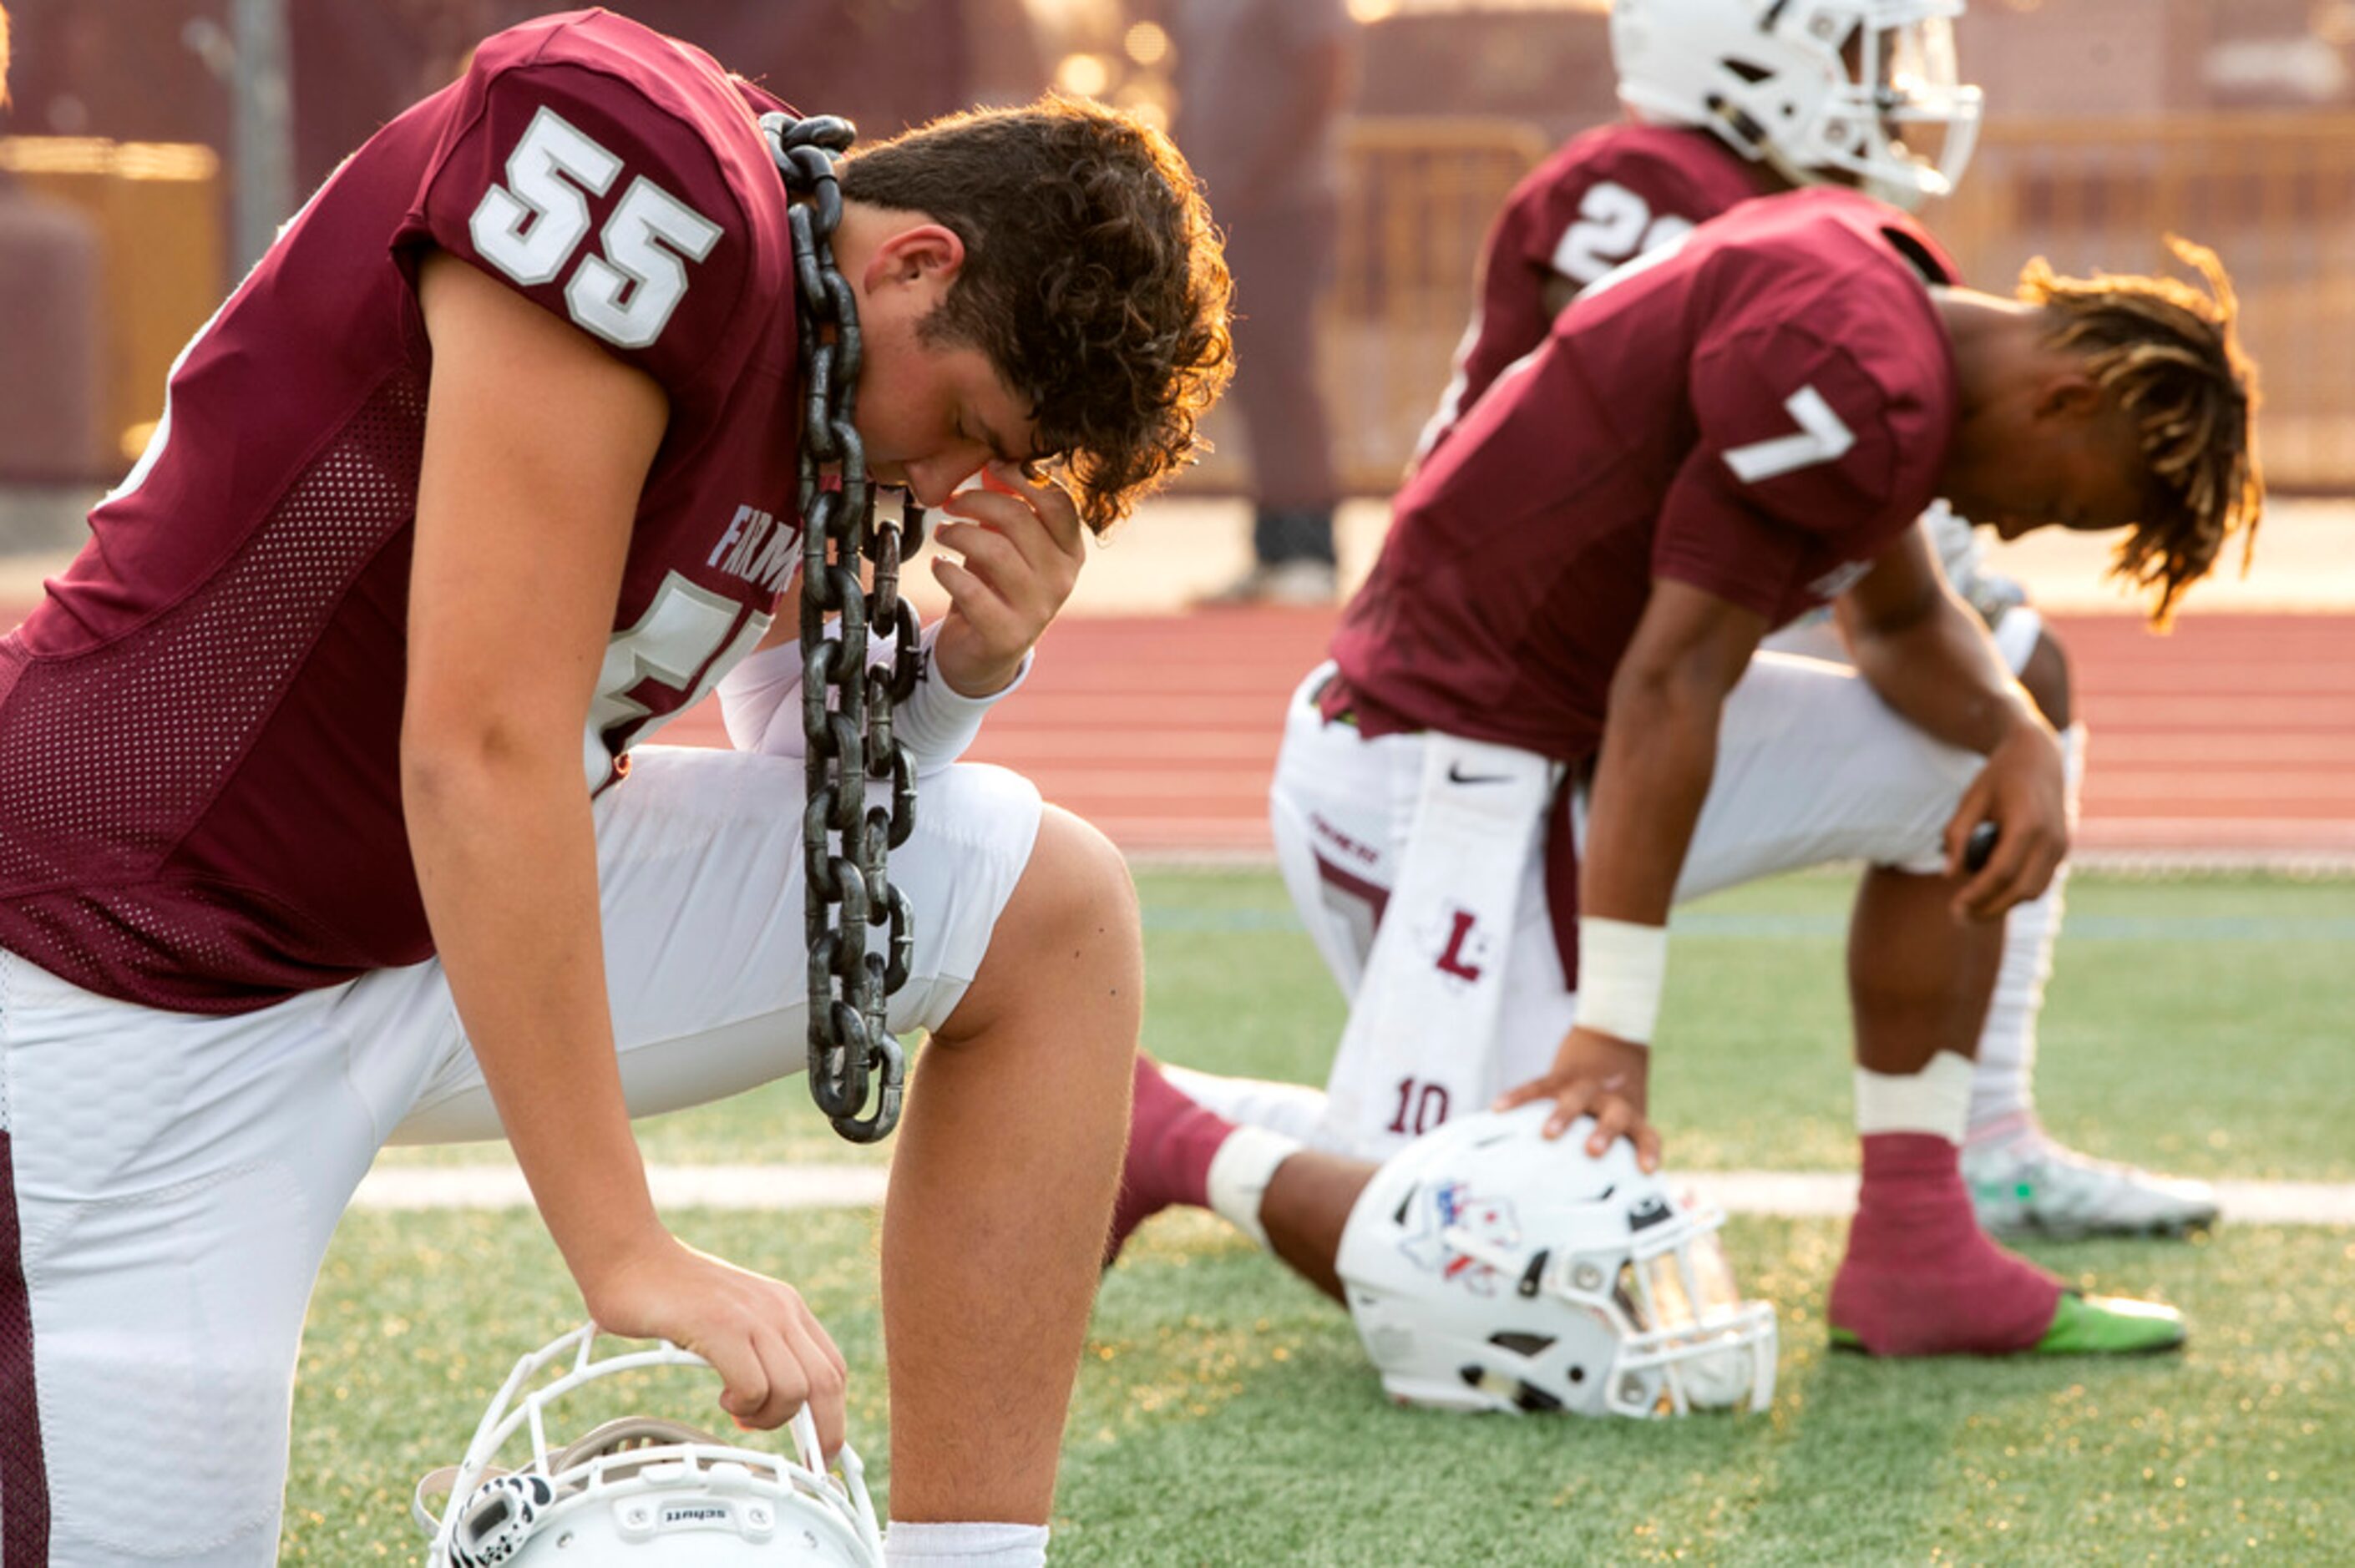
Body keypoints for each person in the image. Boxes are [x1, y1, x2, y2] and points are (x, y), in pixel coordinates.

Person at [0, 11, 1231, 1565]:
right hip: (120, 965)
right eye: (971, 430)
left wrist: (965, 670)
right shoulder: (641, 169)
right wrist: (624, 1243)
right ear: (917, 263)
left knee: (1045, 907)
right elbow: (479, 738)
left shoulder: (838, 374)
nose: (939, 485)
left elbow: (816, 793)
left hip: (419, 930)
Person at [1109, 185, 2261, 1367]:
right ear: (2066, 397)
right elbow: (1672, 682)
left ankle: (1915, 1243)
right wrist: (1614, 1030)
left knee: (1948, 767)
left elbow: (1906, 623)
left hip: (1557, 753)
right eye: (2060, 502)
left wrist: (2018, 733)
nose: (2016, 532)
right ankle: (1161, 1130)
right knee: (1492, 1269)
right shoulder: (1852, 365)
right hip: (1426, 767)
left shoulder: (1886, 312)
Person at [1417, 0, 2217, 1236]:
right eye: (1865, 47)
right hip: (1513, 662)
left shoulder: (1816, 211)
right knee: (1476, 1202)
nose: (1893, 82)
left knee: (2002, 687)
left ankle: (1975, 1143)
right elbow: (1712, 469)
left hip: (1636, 603)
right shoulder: (1651, 178)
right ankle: (1187, 1136)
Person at [1166, 0, 1357, 606]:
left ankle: (1310, 549)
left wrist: (1264, 176)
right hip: (1218, 209)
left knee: (1287, 371)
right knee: (1248, 377)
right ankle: (1273, 548)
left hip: (1284, 206)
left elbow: (1327, 66)